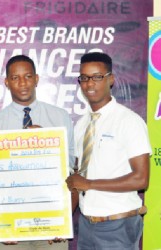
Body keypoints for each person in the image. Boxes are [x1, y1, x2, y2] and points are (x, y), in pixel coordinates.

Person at [0, 55, 74, 250]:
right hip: (10, 224)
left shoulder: (60, 117)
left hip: (52, 220)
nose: (22, 83)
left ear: (37, 79)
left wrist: (47, 144)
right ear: (7, 83)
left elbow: (70, 167)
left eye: (28, 76)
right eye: (15, 78)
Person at [65, 52, 151, 249]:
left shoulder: (129, 121)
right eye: (84, 78)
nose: (89, 83)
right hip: (87, 225)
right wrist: (59, 222)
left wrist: (89, 183)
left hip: (118, 225)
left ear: (110, 79)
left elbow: (141, 179)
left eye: (97, 77)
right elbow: (78, 180)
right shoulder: (81, 125)